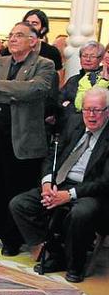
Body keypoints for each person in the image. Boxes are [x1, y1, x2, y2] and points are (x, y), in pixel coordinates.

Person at [0, 22, 56, 256]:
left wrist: (0, 86)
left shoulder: (44, 65)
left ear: (33, 41)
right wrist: (14, 92)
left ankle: (11, 239)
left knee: (14, 191)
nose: (13, 39)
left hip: (21, 142)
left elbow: (36, 90)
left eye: (19, 35)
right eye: (11, 35)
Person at [10, 87, 109, 283]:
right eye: (87, 109)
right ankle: (55, 252)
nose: (91, 115)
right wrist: (47, 184)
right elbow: (51, 156)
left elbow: (104, 182)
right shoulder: (73, 123)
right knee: (19, 204)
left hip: (93, 192)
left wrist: (69, 195)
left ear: (107, 111)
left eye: (97, 110)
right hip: (61, 183)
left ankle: (75, 265)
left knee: (81, 213)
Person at [58, 41, 106, 131]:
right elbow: (59, 100)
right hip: (68, 128)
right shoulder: (73, 80)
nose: (88, 59)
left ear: (100, 59)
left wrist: (68, 106)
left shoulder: (103, 80)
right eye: (84, 56)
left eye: (92, 56)